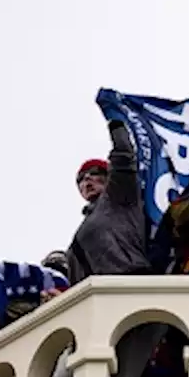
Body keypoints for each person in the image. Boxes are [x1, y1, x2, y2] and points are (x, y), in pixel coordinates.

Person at [67, 119, 149, 282]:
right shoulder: (80, 235)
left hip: (135, 279)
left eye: (94, 172)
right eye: (81, 179)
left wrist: (117, 126)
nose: (87, 178)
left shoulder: (119, 196)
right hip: (102, 294)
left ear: (108, 176)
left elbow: (124, 158)